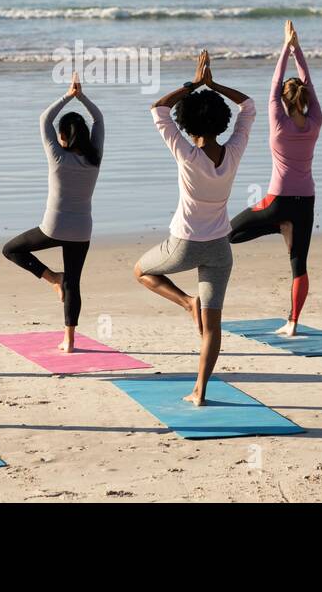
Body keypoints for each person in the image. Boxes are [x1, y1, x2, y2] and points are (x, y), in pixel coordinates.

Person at [134, 50, 255, 406]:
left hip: (183, 244)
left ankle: (187, 302)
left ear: (186, 125)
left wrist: (190, 86)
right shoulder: (234, 151)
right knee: (213, 326)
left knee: (141, 271)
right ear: (222, 122)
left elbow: (158, 109)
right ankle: (201, 391)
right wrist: (213, 85)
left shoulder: (186, 155)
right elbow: (248, 106)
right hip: (220, 248)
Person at [229, 20, 322, 336]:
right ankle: (293, 323)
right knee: (299, 263)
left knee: (226, 233)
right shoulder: (315, 121)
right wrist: (298, 50)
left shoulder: (278, 120)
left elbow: (275, 81)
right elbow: (306, 82)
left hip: (276, 200)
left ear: (283, 99)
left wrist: (287, 45)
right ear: (306, 98)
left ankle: (274, 226)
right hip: (305, 202)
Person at [1, 71, 105, 352]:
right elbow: (99, 120)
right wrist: (82, 97)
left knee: (11, 249)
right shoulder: (94, 157)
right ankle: (69, 341)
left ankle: (52, 278)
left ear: (62, 136)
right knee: (75, 282)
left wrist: (68, 96)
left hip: (53, 227)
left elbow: (44, 119)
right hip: (82, 230)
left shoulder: (57, 156)